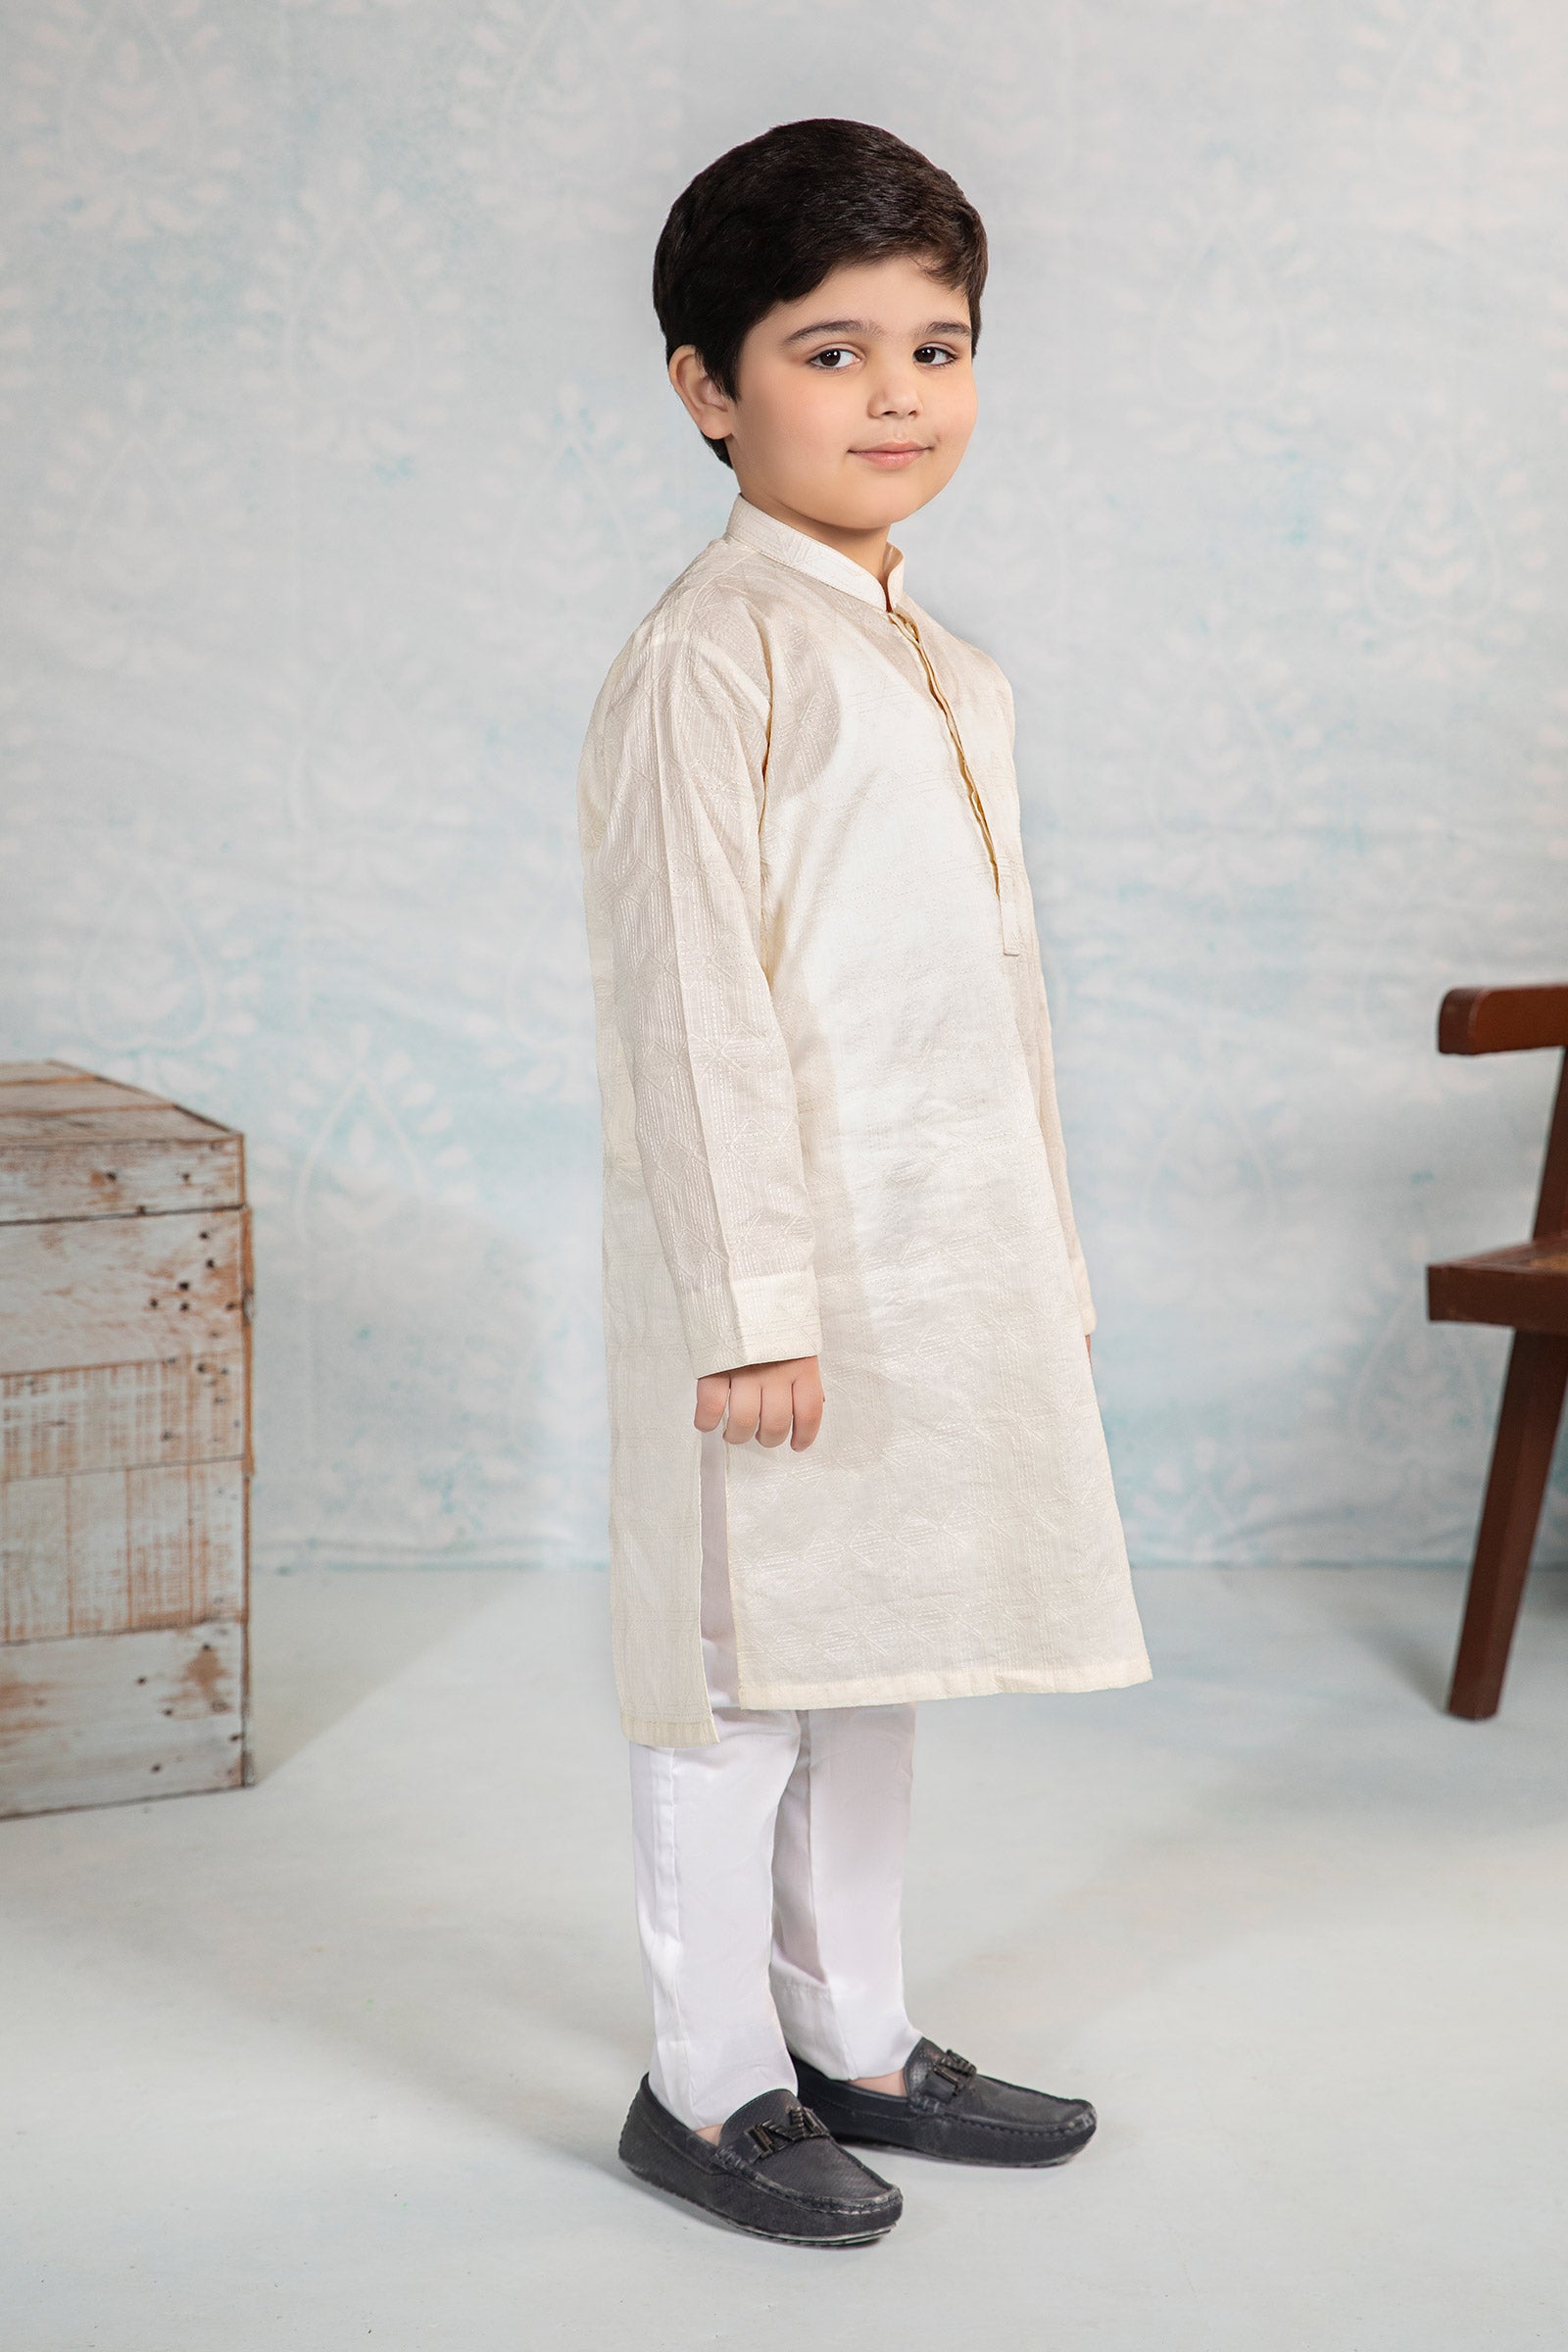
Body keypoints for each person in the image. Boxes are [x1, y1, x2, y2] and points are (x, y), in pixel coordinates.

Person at [574, 117, 1151, 2247]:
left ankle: (857, 2041)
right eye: (831, 351)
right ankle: (704, 2081)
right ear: (706, 386)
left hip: (934, 1265)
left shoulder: (947, 663)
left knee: (875, 1650)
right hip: (779, 1286)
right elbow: (687, 1001)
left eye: (939, 345)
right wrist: (750, 1304)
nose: (898, 395)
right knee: (736, 1682)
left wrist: (1039, 1268)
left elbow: (997, 1004)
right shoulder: (708, 653)